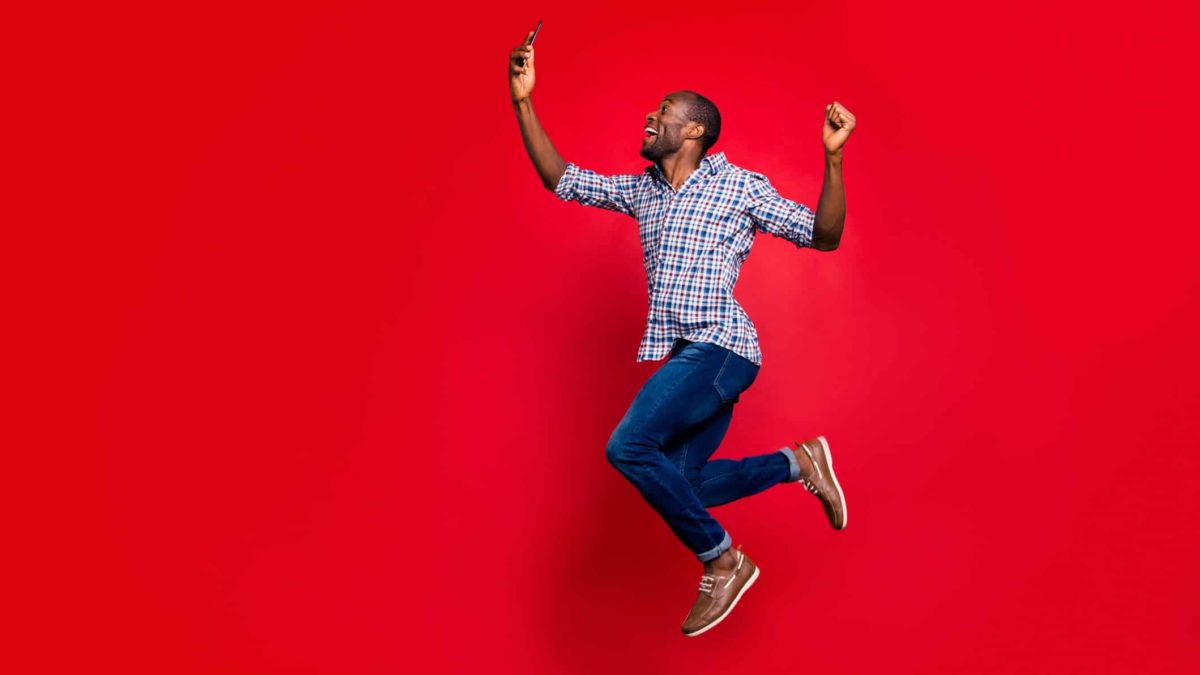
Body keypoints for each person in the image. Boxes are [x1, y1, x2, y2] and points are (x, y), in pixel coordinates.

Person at [508, 31, 856, 637]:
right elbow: (560, 179)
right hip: (689, 355)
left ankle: (722, 559)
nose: (650, 115)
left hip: (721, 346)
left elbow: (823, 236)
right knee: (687, 483)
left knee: (629, 447)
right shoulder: (642, 191)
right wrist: (523, 102)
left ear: (694, 129)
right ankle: (797, 463)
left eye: (663, 109)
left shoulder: (739, 186)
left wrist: (833, 159)